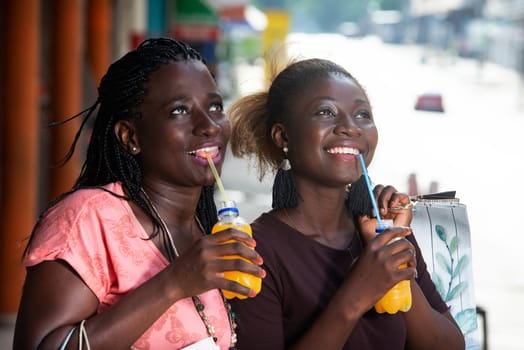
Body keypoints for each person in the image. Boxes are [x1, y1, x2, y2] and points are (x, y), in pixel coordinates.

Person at [13, 38, 265, 350]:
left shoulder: (205, 226)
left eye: (215, 106)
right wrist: (173, 283)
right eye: (179, 110)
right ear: (130, 136)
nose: (210, 125)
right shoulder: (88, 218)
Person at [227, 58, 465, 349]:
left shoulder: (383, 229)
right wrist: (355, 296)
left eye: (362, 114)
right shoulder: (254, 252)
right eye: (326, 112)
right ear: (283, 136)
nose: (351, 128)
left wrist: (395, 267)